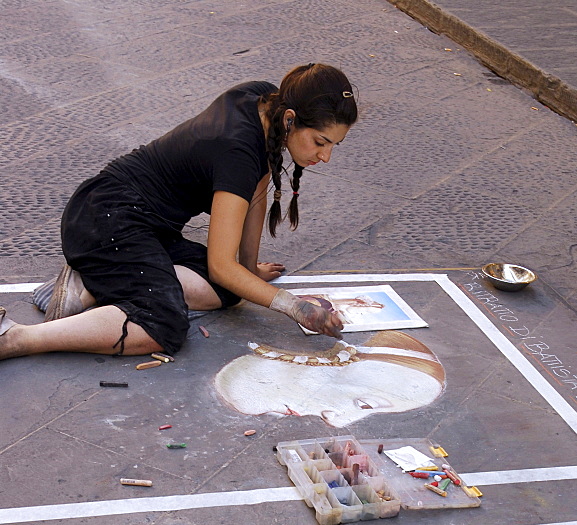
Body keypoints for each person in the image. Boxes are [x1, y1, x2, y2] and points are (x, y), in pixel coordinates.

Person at [0, 64, 357, 362]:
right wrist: (295, 307)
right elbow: (221, 262)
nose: (324, 156)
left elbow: (256, 191)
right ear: (291, 120)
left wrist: (249, 271)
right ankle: (18, 338)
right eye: (320, 142)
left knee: (231, 289)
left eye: (333, 146)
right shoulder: (236, 149)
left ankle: (97, 281)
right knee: (163, 326)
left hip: (138, 221)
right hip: (105, 218)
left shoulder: (266, 101)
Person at [214, 329, 445, 426]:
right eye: (365, 404)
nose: (338, 419)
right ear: (339, 366)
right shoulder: (254, 381)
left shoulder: (258, 389)